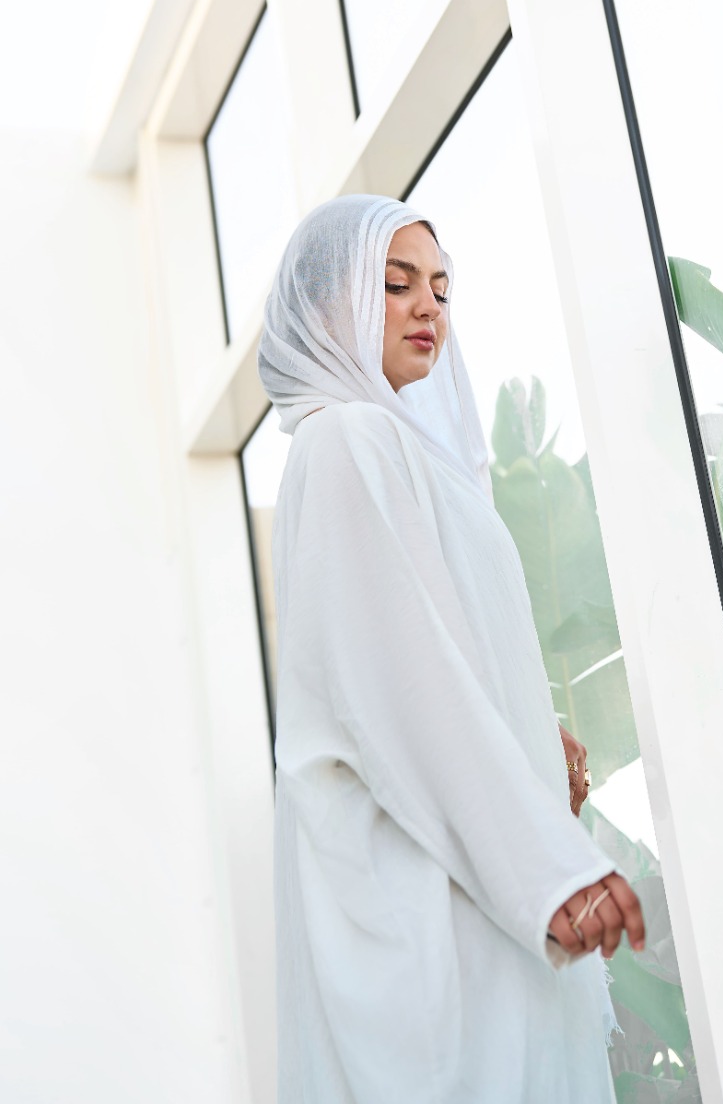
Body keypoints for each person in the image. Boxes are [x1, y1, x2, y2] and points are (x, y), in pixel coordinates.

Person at [257, 193, 645, 1104]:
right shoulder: (347, 440)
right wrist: (545, 869)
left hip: (463, 874)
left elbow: (423, 643)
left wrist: (532, 735)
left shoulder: (398, 451)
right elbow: (402, 683)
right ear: (329, 303)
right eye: (396, 284)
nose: (428, 306)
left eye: (439, 286)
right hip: (428, 895)